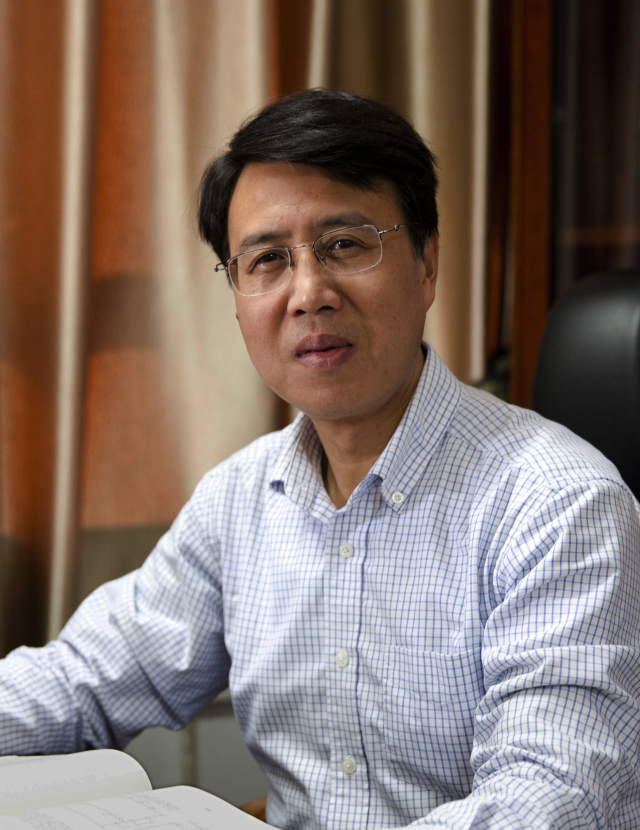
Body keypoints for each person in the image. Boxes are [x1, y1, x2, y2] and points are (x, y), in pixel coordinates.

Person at [1, 89, 639, 830]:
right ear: (236, 294)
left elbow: (547, 799)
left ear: (427, 264)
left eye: (344, 245)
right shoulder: (241, 497)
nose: (308, 294)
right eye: (267, 260)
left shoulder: (561, 504)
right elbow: (80, 680)